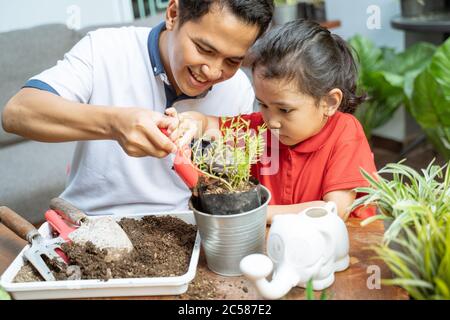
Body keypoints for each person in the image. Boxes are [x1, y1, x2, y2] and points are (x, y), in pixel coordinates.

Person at [1, 0, 274, 215]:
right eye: (204, 49)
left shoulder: (238, 88)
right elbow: (18, 113)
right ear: (173, 14)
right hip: (90, 221)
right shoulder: (106, 49)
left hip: (184, 229)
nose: (214, 71)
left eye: (233, 61)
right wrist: (114, 124)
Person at [166, 20, 377, 222]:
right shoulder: (259, 128)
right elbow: (207, 124)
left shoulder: (345, 132)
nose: (272, 122)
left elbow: (333, 210)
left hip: (344, 248)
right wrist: (189, 123)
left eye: (285, 110)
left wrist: (251, 212)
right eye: (263, 105)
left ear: (329, 102)